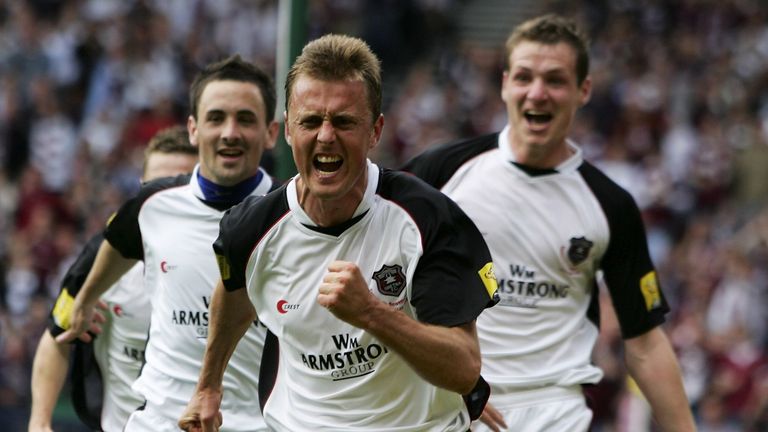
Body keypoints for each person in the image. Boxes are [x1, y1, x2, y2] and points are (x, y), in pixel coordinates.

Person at [178, 34, 499, 432]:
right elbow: (232, 291)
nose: (326, 136)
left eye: (344, 121)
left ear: (376, 131)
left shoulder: (426, 217)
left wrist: (371, 313)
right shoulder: (251, 228)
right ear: (289, 131)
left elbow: (464, 368)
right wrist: (208, 387)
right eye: (310, 121)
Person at [401, 14, 696, 432]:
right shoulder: (441, 172)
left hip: (555, 411)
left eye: (555, 80)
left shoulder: (610, 203)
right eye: (524, 77)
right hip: (454, 403)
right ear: (505, 83)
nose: (537, 93)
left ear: (583, 90)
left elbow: (646, 344)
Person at [55, 55, 280, 431]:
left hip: (253, 424)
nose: (230, 132)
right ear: (193, 129)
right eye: (216, 118)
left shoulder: (291, 215)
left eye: (245, 119)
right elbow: (116, 242)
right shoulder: (151, 205)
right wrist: (86, 298)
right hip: (159, 421)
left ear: (271, 132)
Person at [28, 126, 198, 432]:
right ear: (141, 190)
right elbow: (56, 337)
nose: (167, 198)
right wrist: (39, 422)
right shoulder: (104, 257)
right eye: (156, 185)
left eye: (181, 185)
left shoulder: (231, 253)